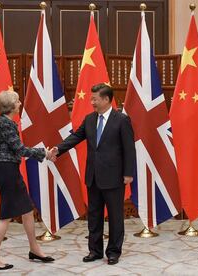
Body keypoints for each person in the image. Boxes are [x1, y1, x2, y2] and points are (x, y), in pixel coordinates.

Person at [49, 83, 135, 265]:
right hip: (93, 176)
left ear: (106, 99)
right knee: (94, 216)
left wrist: (128, 173)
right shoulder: (89, 119)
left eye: (94, 99)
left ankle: (113, 252)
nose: (92, 102)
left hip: (114, 177)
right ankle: (94, 251)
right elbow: (76, 137)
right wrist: (58, 148)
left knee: (115, 217)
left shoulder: (121, 120)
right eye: (91, 99)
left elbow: (129, 148)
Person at [0, 90, 55, 271]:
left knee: (26, 210)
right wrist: (44, 153)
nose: (20, 103)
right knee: (5, 216)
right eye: (17, 101)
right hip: (8, 171)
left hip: (5, 170)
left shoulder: (0, 122)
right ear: (10, 106)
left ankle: (34, 249)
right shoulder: (6, 124)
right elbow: (19, 149)